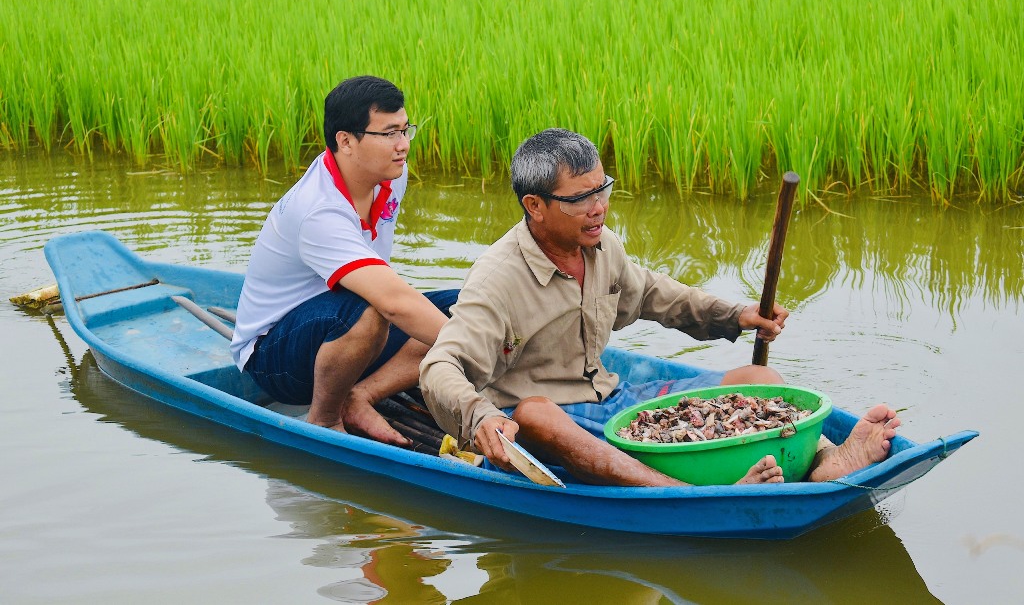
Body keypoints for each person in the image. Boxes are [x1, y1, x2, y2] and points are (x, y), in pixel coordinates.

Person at [420, 128, 901, 486]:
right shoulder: (497, 278)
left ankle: (824, 458)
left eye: (602, 189)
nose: (599, 208)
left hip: (612, 397)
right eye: (581, 199)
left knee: (762, 382)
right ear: (535, 205)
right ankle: (678, 494)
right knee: (534, 413)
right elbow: (439, 366)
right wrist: (479, 418)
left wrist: (735, 315)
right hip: (553, 426)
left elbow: (654, 295)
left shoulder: (601, 245)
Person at [231, 75, 457, 446]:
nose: (403, 146)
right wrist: (471, 351)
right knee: (372, 307)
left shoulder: (388, 175)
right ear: (346, 141)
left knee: (466, 308)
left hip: (350, 337)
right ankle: (325, 419)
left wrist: (474, 330)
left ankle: (361, 396)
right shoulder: (318, 210)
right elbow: (394, 301)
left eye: (405, 130)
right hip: (278, 358)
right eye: (389, 134)